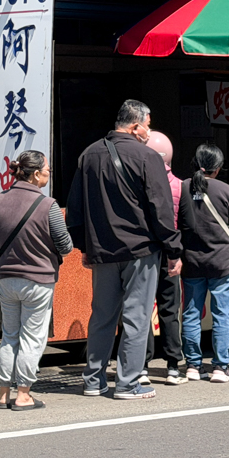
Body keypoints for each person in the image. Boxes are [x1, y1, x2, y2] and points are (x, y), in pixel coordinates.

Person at [66, 100, 182, 400]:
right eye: (147, 124)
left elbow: (75, 209)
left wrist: (84, 246)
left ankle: (93, 379)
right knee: (137, 317)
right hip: (140, 250)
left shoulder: (88, 155)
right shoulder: (147, 157)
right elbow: (161, 208)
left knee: (102, 316)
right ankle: (128, 382)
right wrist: (173, 249)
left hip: (102, 251)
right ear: (134, 126)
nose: (149, 130)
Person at [0, 150, 72, 411]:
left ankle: (2, 394)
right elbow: (66, 246)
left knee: (10, 335)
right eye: (47, 170)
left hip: (6, 279)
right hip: (39, 281)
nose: (49, 174)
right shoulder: (48, 206)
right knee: (32, 338)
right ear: (36, 174)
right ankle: (23, 394)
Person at [178, 143, 229, 384]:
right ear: (217, 168)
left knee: (191, 313)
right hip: (222, 263)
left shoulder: (182, 188)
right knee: (221, 315)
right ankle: (220, 367)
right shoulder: (227, 191)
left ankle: (193, 366)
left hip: (191, 261)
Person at [143, 131, 185, 385]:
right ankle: (172, 366)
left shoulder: (140, 185)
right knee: (170, 310)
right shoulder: (180, 185)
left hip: (146, 253)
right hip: (171, 253)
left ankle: (143, 365)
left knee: (143, 310)